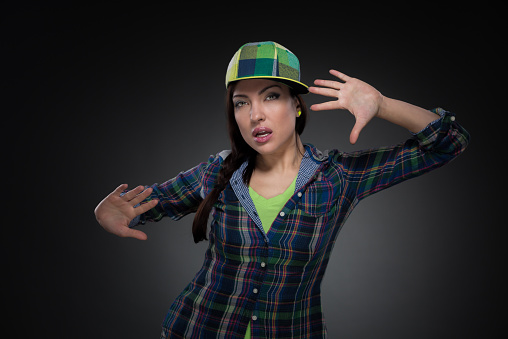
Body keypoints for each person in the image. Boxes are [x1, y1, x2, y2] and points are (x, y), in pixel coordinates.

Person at [94, 41, 469, 338]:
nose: (255, 114)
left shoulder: (336, 176)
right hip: (197, 328)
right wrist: (114, 211)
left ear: (297, 106)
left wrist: (384, 105)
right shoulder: (216, 171)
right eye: (242, 103)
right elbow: (144, 205)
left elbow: (448, 142)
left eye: (271, 96)